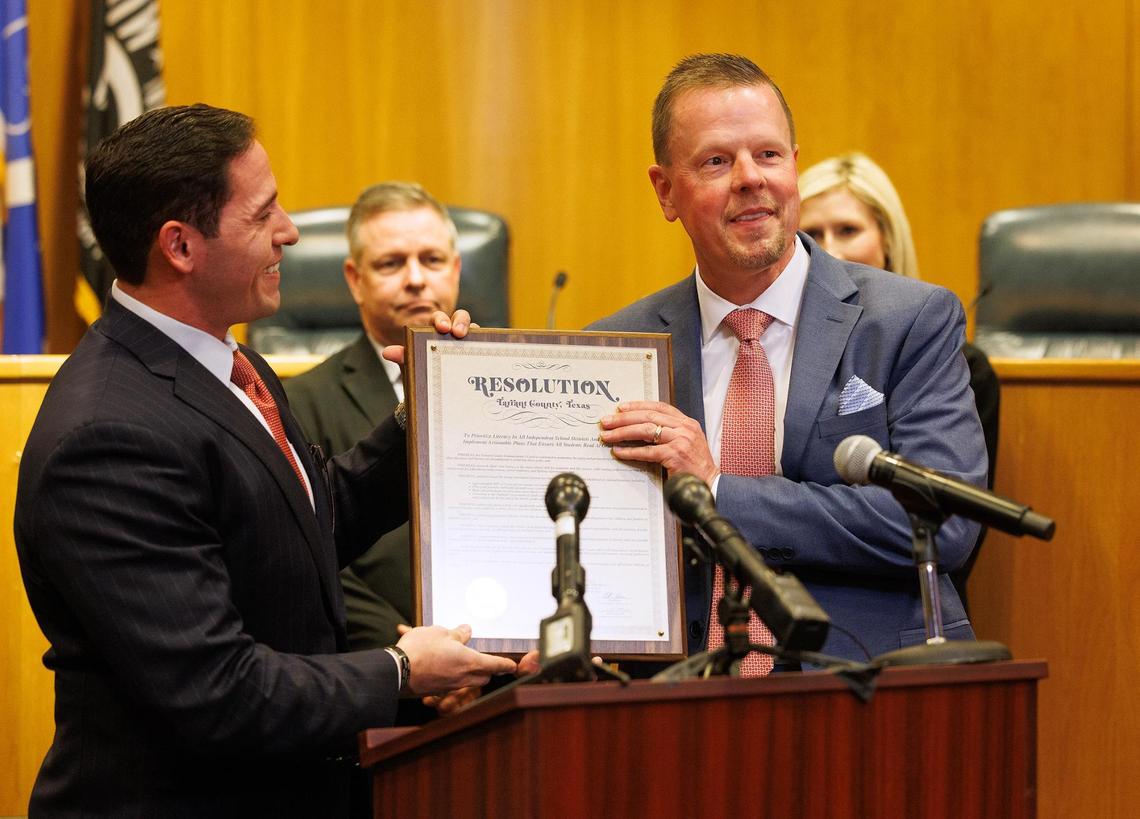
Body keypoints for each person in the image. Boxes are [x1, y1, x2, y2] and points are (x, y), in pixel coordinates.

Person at [13, 104, 518, 818]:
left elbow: (307, 522)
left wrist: (425, 413)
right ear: (180, 246)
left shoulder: (229, 362)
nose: (289, 232)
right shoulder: (106, 437)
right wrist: (401, 669)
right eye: (263, 213)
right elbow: (216, 688)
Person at [588, 54, 988, 664]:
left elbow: (942, 523)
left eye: (768, 154)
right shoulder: (618, 348)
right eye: (717, 161)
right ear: (665, 191)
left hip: (867, 682)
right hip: (680, 691)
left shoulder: (908, 320)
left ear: (794, 166)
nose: (750, 178)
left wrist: (719, 491)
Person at [798, 153, 999, 609]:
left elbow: (949, 526)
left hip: (906, 608)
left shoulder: (955, 362)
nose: (830, 250)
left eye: (848, 230)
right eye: (813, 234)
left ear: (887, 238)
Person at [286, 182, 460, 657]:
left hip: (507, 666)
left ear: (456, 269)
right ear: (355, 278)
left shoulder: (505, 382)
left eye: (432, 259)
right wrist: (406, 654)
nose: (416, 279)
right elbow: (303, 551)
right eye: (391, 263)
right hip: (381, 672)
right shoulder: (301, 402)